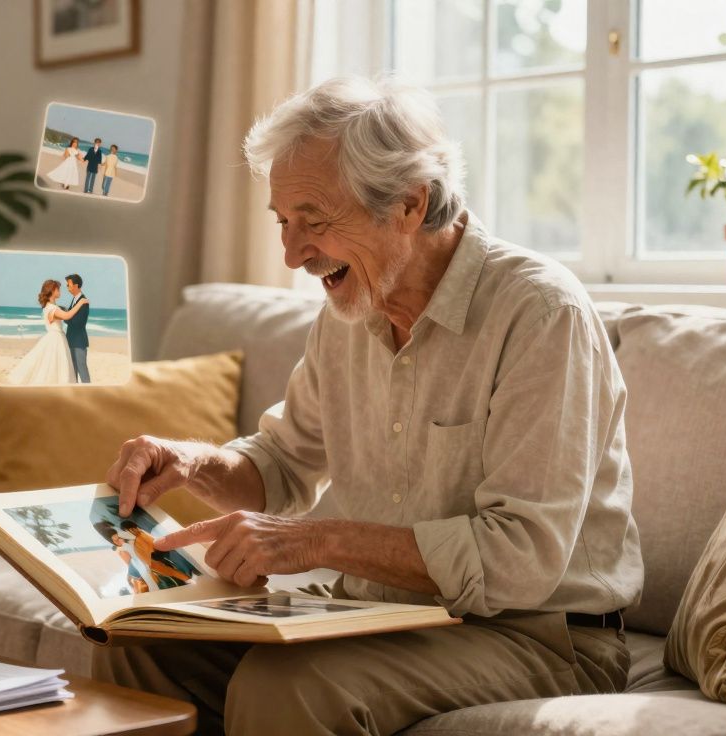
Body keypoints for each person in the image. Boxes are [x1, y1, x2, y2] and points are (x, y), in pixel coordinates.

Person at [95, 75, 644, 735]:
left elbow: (521, 557)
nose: (292, 254)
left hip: (537, 634)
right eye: (283, 222)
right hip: (377, 615)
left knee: (286, 686)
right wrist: (192, 463)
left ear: (410, 203)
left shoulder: (539, 313)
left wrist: (315, 541)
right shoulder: (347, 313)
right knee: (139, 643)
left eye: (315, 221)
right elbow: (283, 466)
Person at [5, 279, 88, 386]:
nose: (60, 291)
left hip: (57, 338)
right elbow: (67, 316)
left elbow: (65, 313)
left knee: (55, 365)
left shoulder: (52, 307)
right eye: (58, 289)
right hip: (55, 340)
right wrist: (80, 302)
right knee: (54, 365)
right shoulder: (52, 308)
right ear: (52, 291)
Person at [63, 273, 90, 383]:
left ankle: (88, 391)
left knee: (82, 369)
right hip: (71, 340)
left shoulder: (83, 301)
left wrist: (66, 316)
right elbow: (72, 316)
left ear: (76, 286)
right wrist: (67, 314)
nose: (67, 287)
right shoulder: (75, 299)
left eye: (68, 285)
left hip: (79, 341)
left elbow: (79, 323)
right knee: (73, 370)